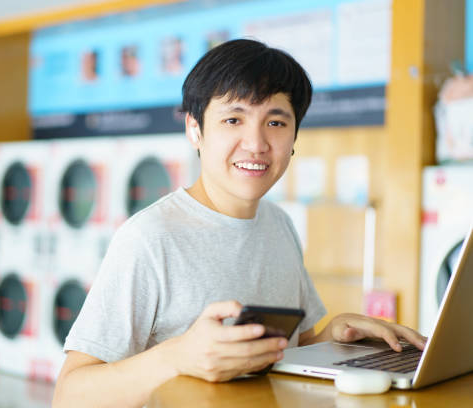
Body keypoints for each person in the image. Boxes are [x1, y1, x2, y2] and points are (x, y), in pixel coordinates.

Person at [52, 39, 426, 408]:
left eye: (276, 122)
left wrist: (334, 336)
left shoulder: (279, 224)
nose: (257, 143)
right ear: (195, 129)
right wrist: (176, 357)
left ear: (294, 136)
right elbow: (68, 396)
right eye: (233, 119)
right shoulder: (150, 237)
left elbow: (285, 352)